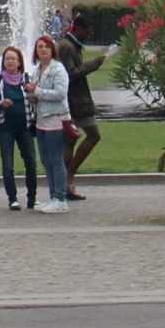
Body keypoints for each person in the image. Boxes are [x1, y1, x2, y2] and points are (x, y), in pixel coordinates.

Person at [59, 11, 106, 201]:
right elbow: (69, 74)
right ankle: (67, 179)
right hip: (73, 102)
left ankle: (66, 181)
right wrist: (93, 64)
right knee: (88, 136)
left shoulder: (73, 45)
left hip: (78, 101)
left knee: (75, 140)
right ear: (77, 29)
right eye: (87, 32)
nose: (89, 36)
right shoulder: (66, 47)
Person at [29, 35, 74, 213]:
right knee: (46, 160)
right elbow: (37, 94)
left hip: (55, 118)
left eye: (46, 46)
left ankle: (61, 198)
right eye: (40, 47)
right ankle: (53, 195)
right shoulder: (36, 70)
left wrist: (38, 92)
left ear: (52, 50)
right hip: (41, 119)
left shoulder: (58, 69)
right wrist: (33, 97)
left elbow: (61, 93)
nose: (43, 50)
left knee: (56, 159)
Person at [0, 46, 34, 211]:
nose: (10, 62)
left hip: (25, 127)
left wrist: (34, 96)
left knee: (30, 162)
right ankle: (13, 199)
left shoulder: (26, 79)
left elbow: (33, 98)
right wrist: (2, 104)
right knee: (8, 164)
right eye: (7, 59)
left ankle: (32, 198)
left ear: (19, 62)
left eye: (13, 59)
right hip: (5, 128)